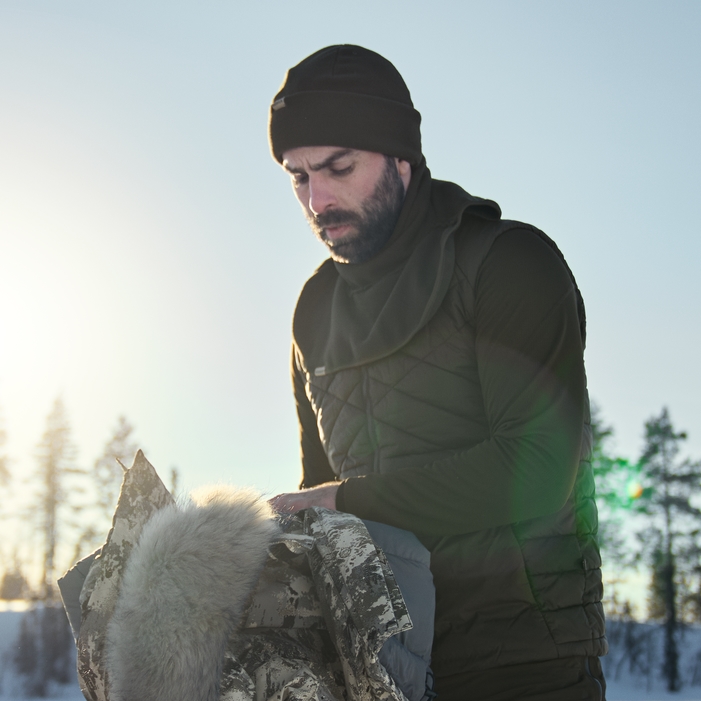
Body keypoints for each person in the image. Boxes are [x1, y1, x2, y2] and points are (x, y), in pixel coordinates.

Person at [268, 45, 607, 701]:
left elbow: (534, 470)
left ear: (401, 156)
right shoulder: (313, 311)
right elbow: (320, 490)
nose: (317, 198)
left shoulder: (508, 263)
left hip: (523, 668)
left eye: (338, 167)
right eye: (298, 176)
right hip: (382, 671)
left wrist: (342, 500)